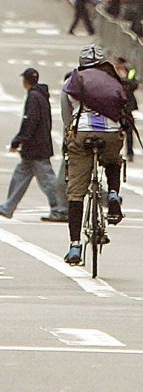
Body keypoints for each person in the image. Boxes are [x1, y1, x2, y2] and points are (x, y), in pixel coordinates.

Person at [60, 44, 127, 265]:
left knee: (76, 193)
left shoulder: (73, 80)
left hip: (84, 132)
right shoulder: (112, 78)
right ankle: (114, 194)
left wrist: (68, 138)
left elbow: (67, 117)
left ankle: (75, 246)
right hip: (111, 132)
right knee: (113, 161)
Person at [0, 68, 67, 222]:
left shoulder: (33, 97)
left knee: (48, 181)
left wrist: (18, 140)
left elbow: (29, 121)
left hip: (36, 148)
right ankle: (7, 207)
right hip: (36, 146)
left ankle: (60, 209)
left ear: (25, 81)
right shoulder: (41, 96)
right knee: (20, 176)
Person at [115, 57, 139, 162]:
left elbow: (134, 84)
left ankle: (130, 153)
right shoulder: (113, 73)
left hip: (128, 105)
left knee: (129, 131)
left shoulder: (130, 72)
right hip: (116, 106)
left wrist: (124, 80)